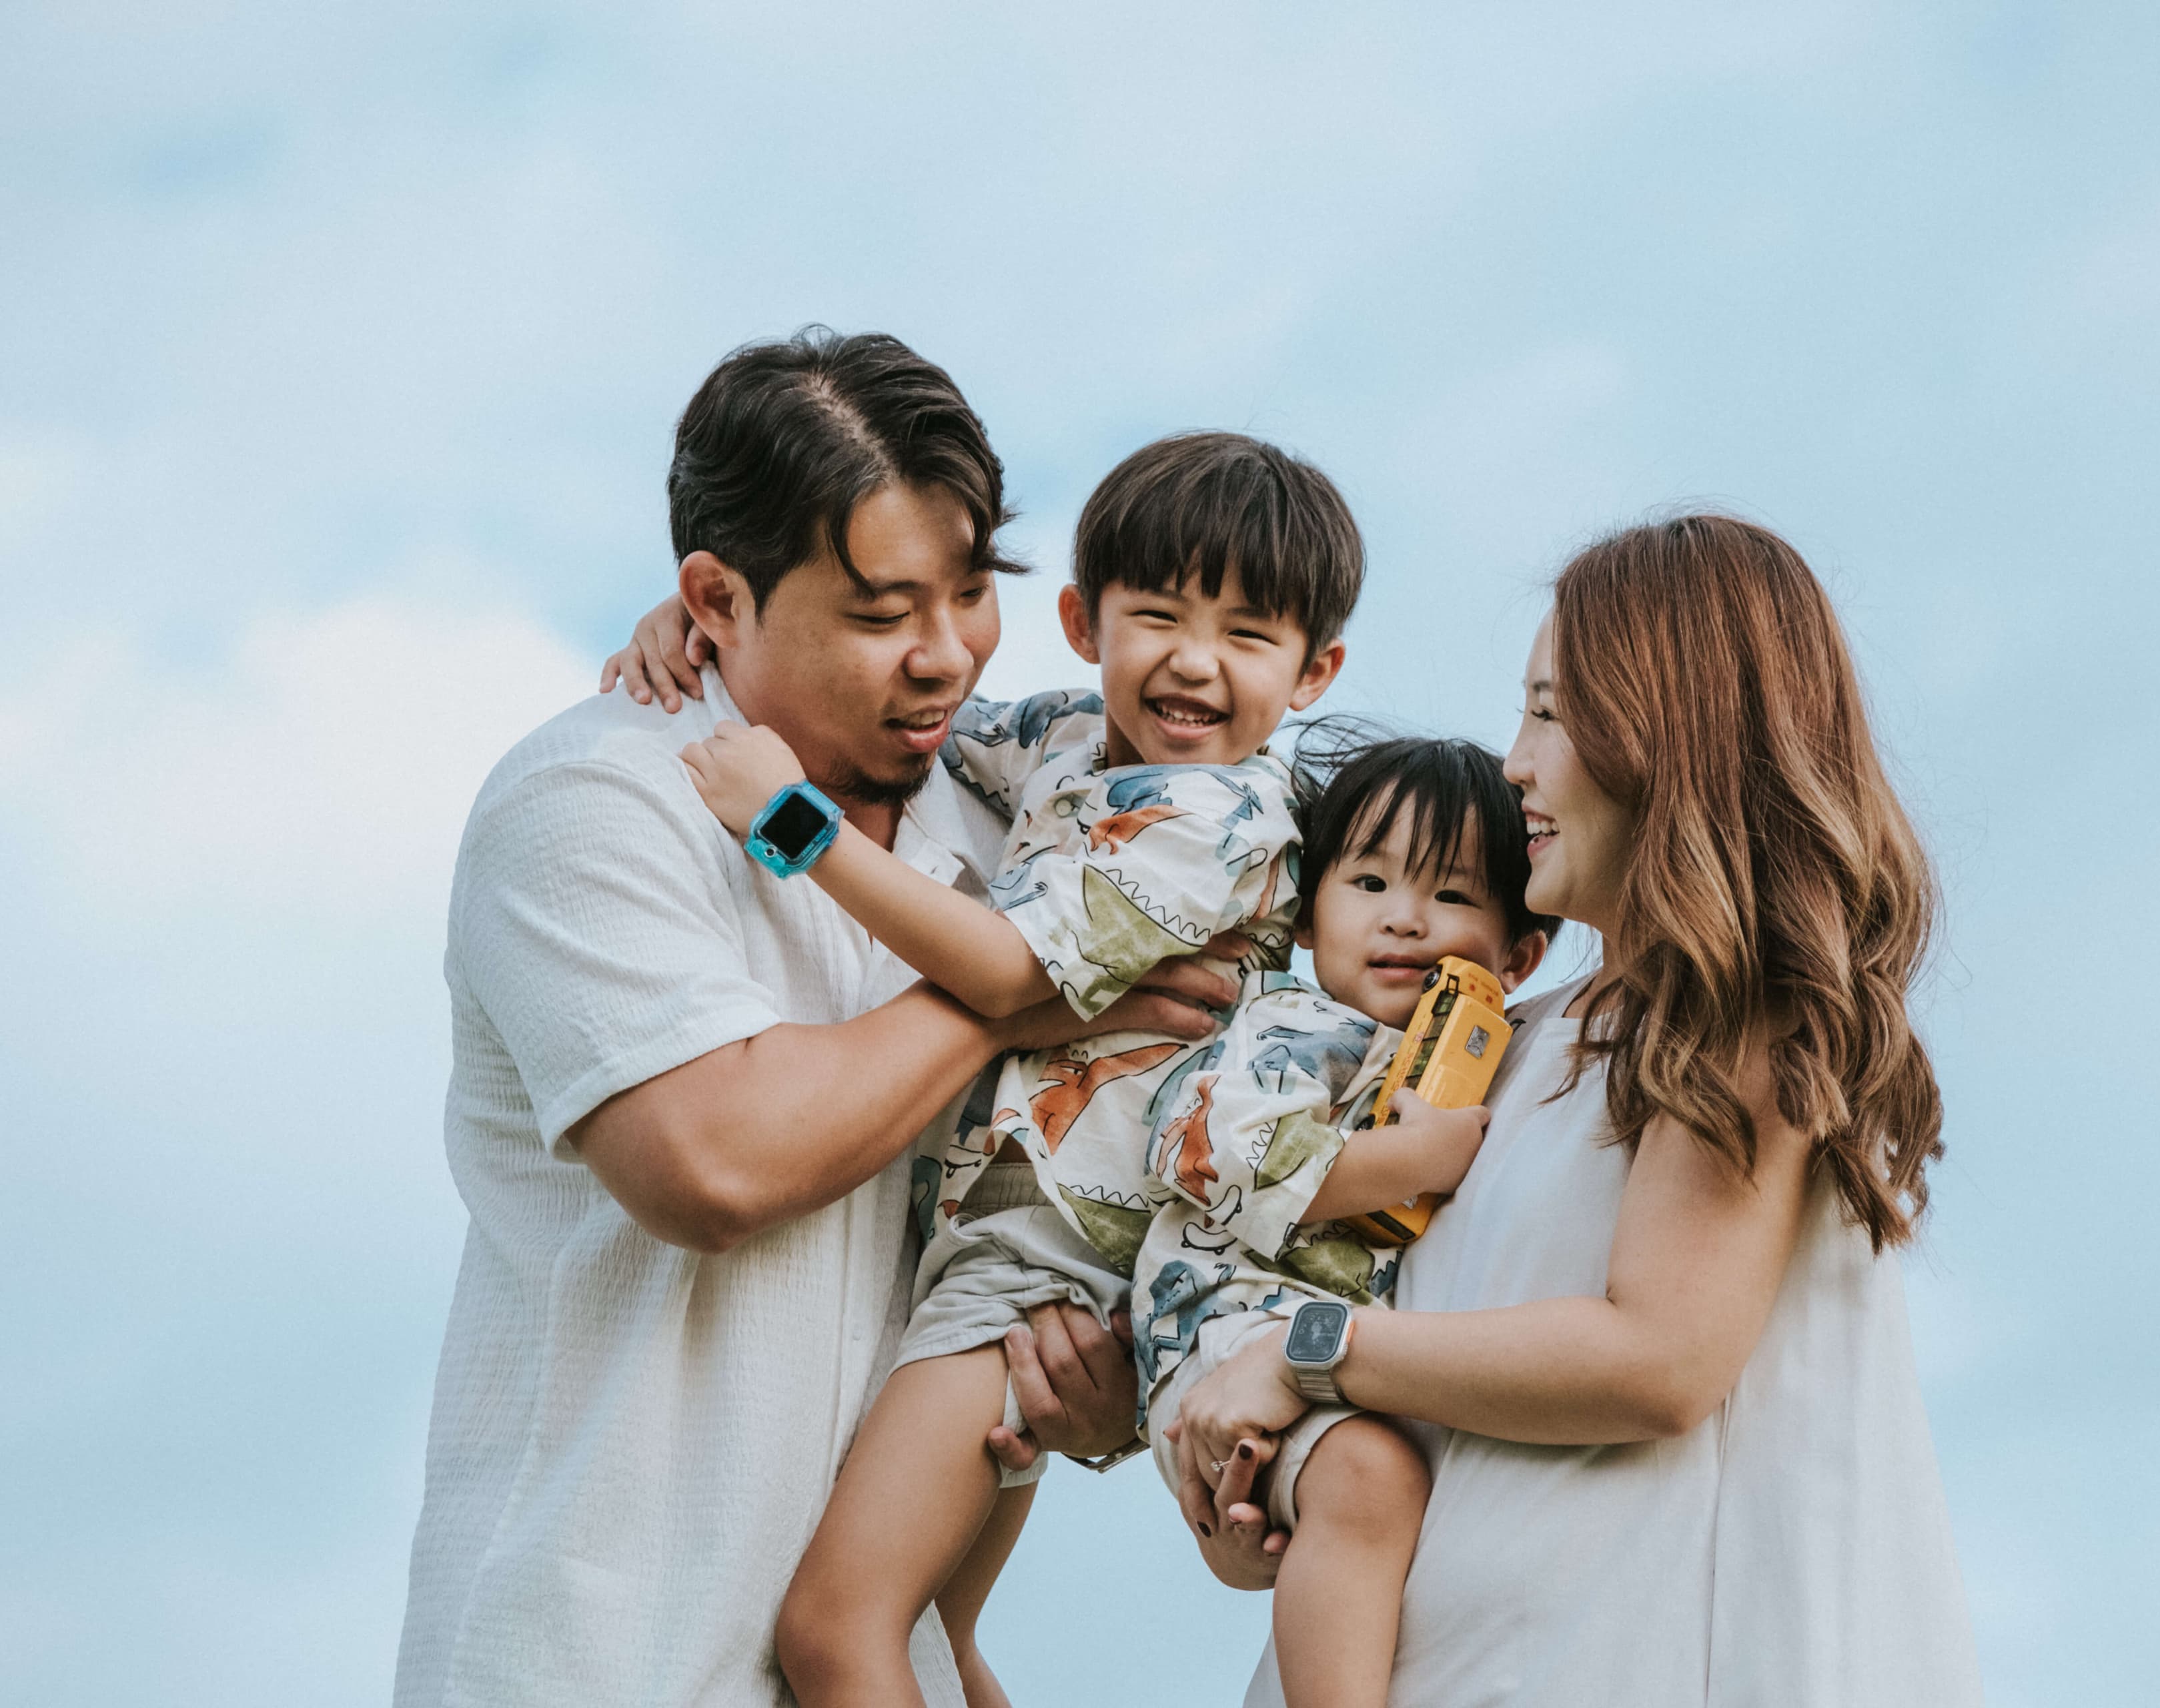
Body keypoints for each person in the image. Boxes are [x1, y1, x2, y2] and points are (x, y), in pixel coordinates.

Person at [395, 330, 1221, 1708]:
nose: (946, 653)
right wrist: (1031, 984)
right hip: (603, 1662)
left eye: (973, 591)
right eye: (880, 610)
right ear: (713, 597)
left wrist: (1094, 1399)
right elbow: (718, 1162)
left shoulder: (1027, 813)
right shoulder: (595, 803)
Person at [650, 436, 1542, 1708]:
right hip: (1014, 1239)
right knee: (937, 1649)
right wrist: (707, 626)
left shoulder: (1219, 824)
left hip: (1043, 1256)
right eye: (1159, 614)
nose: (1194, 659)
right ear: (1082, 622)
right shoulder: (1071, 740)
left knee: (836, 1632)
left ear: (1314, 671)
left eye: (1247, 634)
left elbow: (1009, 971)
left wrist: (783, 822)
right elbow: (937, 733)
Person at [1177, 513, 1985, 1706]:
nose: (1513, 762)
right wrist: (1247, 1473)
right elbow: (1431, 1396)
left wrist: (1310, 1358)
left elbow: (1658, 1360)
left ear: (1668, 730)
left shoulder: (1747, 1013)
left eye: (1550, 712)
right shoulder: (1506, 1047)